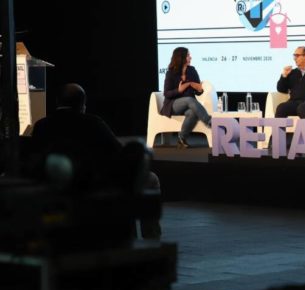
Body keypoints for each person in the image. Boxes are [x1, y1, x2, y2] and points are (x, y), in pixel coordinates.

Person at [31, 83, 162, 239]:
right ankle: (150, 239)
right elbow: (120, 153)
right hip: (92, 187)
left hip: (49, 186)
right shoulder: (93, 123)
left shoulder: (41, 126)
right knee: (150, 179)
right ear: (83, 105)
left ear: (57, 101)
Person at [161, 47, 211, 148]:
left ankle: (181, 139)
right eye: (188, 55)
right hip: (173, 105)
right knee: (189, 99)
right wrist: (179, 90)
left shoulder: (192, 70)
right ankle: (209, 122)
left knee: (192, 113)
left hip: (189, 105)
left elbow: (198, 91)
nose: (190, 57)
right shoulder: (171, 73)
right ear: (181, 58)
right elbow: (167, 94)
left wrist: (199, 90)